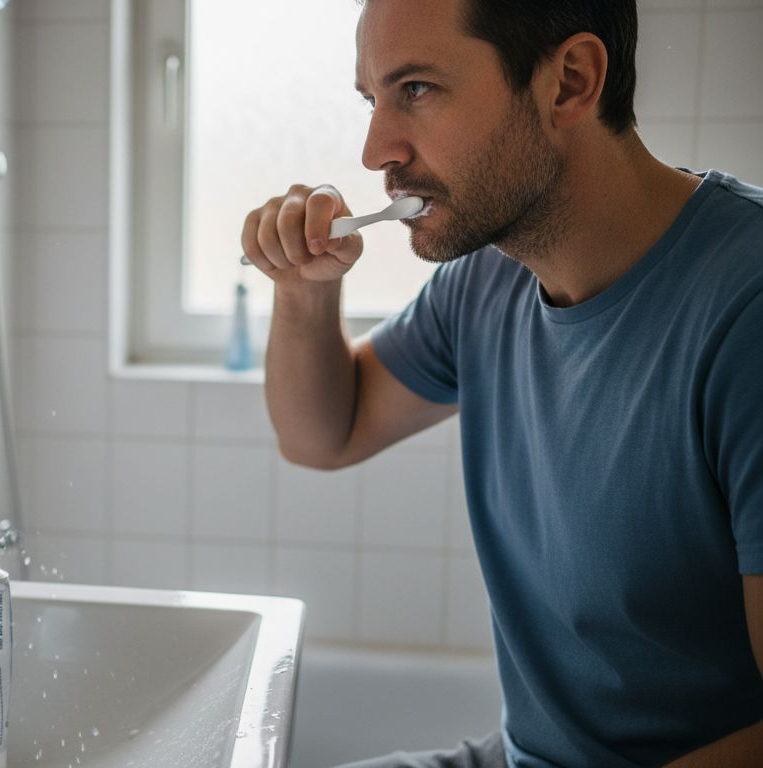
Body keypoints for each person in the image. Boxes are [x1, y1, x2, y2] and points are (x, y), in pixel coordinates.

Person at [241, 0, 763, 766]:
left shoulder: (745, 309)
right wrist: (304, 289)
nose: (375, 150)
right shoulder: (490, 275)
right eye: (371, 98)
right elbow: (324, 434)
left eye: (415, 89)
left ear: (570, 82)